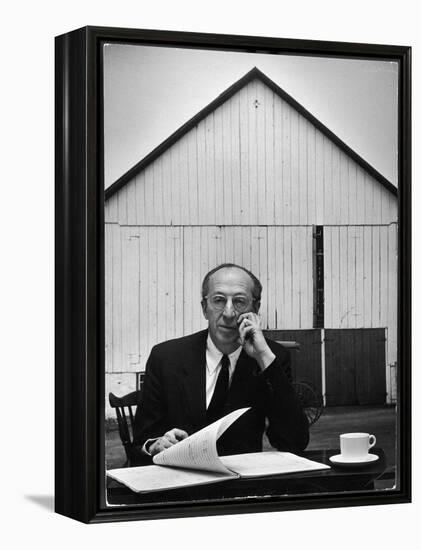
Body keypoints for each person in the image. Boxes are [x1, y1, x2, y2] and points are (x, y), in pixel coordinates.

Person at [133, 263, 309, 461]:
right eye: (218, 300)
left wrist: (264, 358)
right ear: (204, 308)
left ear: (256, 308)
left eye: (240, 302)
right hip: (181, 479)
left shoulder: (271, 356)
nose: (228, 312)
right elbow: (140, 443)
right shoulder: (166, 357)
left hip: (241, 482)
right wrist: (156, 445)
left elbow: (294, 442)